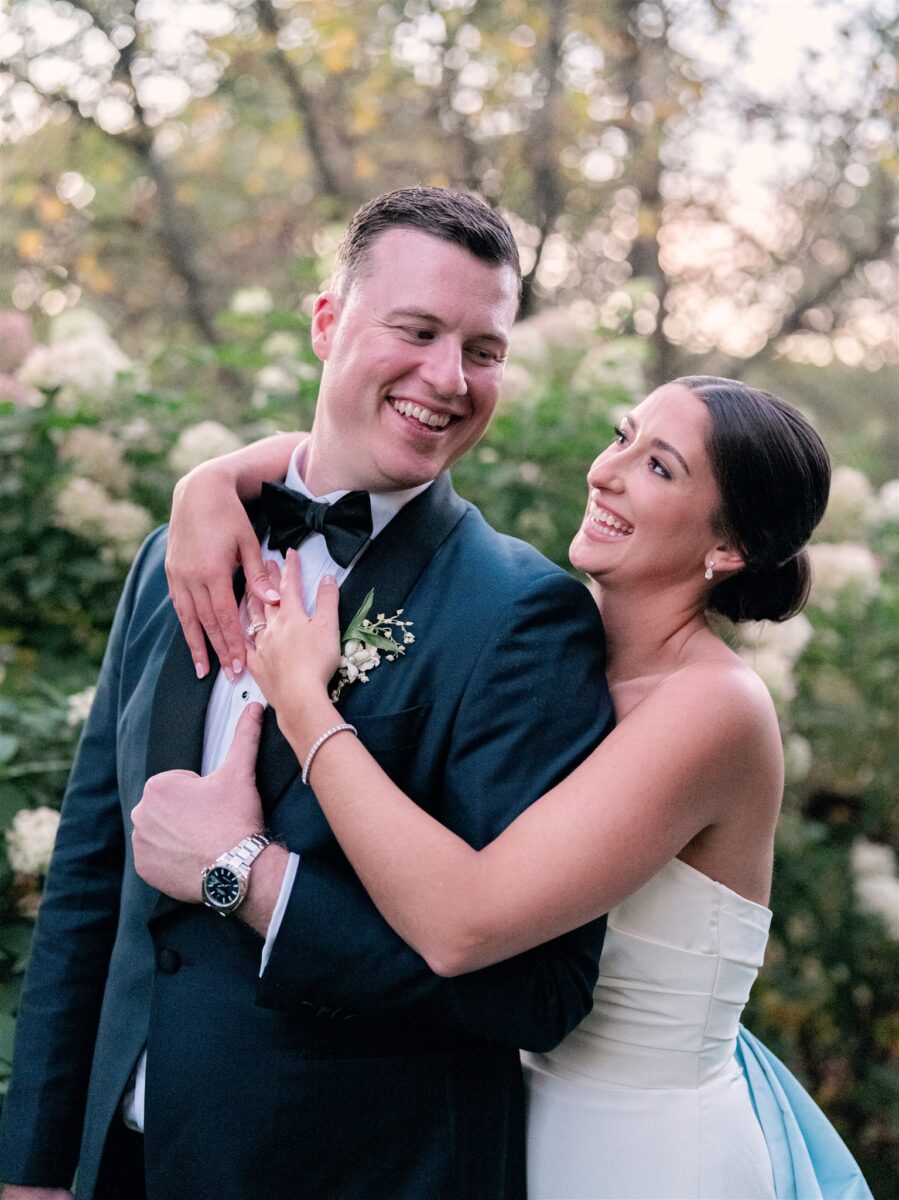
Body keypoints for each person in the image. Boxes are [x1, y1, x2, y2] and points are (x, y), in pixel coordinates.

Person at [0, 189, 616, 1200]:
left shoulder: (521, 616)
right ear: (327, 322)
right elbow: (90, 869)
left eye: (483, 350)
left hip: (344, 1172)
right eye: (415, 330)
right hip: (115, 1163)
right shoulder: (174, 556)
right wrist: (34, 1161)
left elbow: (531, 991)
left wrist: (244, 876)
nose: (448, 378)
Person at [162, 376, 874, 1198]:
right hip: (499, 1122)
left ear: (729, 548)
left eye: (659, 467)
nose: (605, 472)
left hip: (641, 1154)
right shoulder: (548, 651)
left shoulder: (714, 708)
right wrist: (211, 480)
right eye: (621, 436)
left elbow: (460, 925)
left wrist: (302, 705)